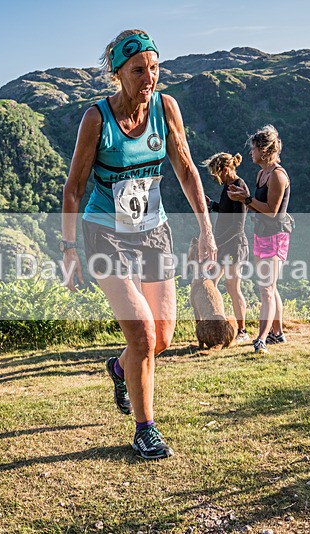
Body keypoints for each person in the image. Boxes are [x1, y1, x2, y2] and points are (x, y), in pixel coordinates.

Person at [61, 30, 216, 460]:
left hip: (154, 231)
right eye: (138, 70)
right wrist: (68, 248)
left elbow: (185, 169)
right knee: (143, 333)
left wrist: (205, 230)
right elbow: (73, 188)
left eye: (154, 67)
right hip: (104, 232)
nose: (149, 77)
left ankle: (118, 366)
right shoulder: (97, 120)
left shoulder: (167, 109)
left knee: (161, 337)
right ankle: (145, 428)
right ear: (118, 73)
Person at [227, 125, 291, 353]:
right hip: (261, 234)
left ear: (264, 150)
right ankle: (278, 334)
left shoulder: (277, 176)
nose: (250, 152)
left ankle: (261, 338)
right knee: (269, 288)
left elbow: (273, 211)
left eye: (253, 148)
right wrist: (243, 199)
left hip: (276, 236)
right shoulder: (261, 174)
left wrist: (246, 199)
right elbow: (255, 204)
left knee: (266, 288)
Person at [202, 152, 250, 344]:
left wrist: (215, 242)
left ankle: (242, 331)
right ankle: (216, 328)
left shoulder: (239, 187)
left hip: (234, 247)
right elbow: (226, 211)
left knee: (232, 287)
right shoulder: (228, 186)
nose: (215, 178)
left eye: (216, 173)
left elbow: (237, 226)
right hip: (224, 246)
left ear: (225, 169)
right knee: (210, 284)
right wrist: (212, 204)